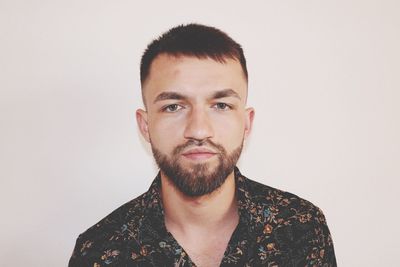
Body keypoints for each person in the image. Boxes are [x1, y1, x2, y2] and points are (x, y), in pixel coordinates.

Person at [69, 23, 336, 267]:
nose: (198, 130)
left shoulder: (301, 228)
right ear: (145, 125)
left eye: (221, 105)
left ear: (246, 122)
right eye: (173, 107)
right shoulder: (98, 252)